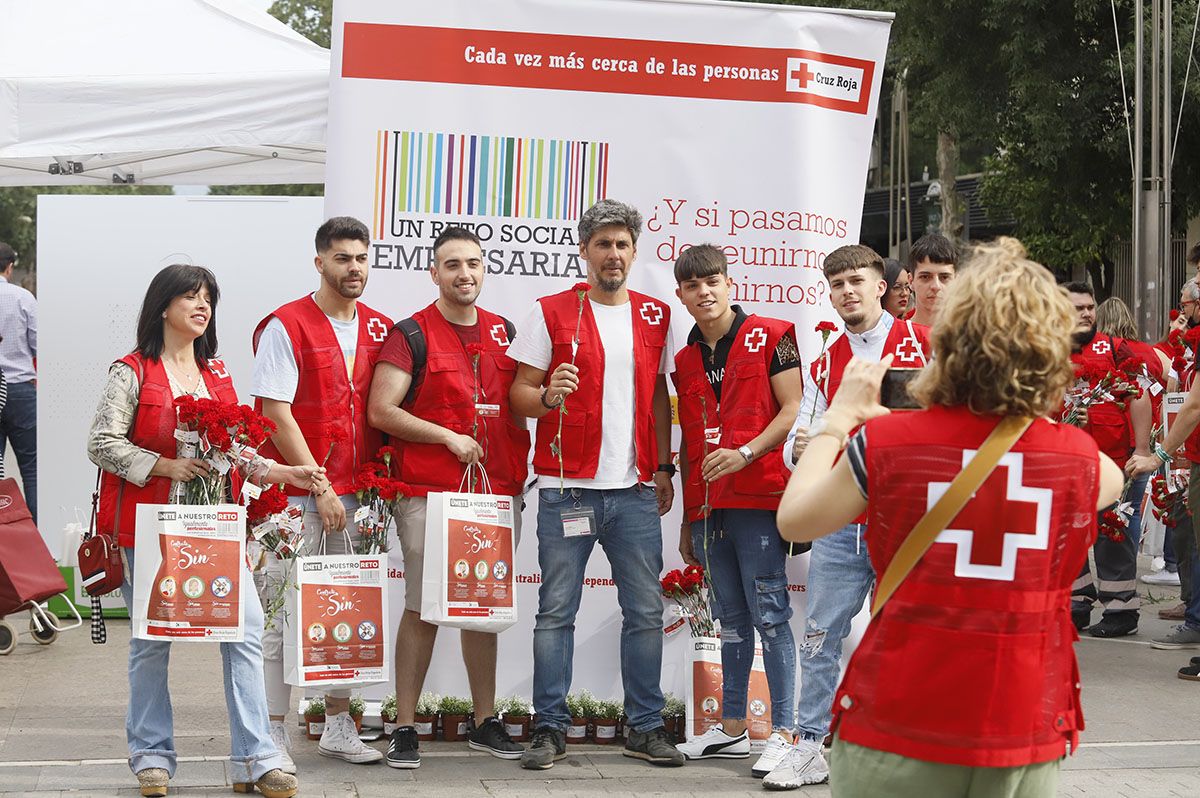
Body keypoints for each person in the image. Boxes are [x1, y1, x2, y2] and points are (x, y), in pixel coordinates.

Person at [775, 239, 1124, 797]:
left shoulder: (887, 444)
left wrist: (839, 418)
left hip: (897, 719)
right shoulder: (1076, 458)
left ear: (950, 339)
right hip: (1023, 727)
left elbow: (794, 520)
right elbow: (1111, 476)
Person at [87, 264, 313, 798]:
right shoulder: (131, 371)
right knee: (150, 642)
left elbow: (234, 451)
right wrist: (164, 467)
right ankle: (151, 758)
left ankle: (254, 759)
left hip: (214, 530)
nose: (202, 304)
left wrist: (283, 472)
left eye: (208, 296)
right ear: (163, 306)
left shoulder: (218, 372)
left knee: (245, 631)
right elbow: (100, 443)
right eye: (190, 295)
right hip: (148, 531)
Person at [508, 199, 682, 769]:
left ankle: (646, 726)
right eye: (603, 244)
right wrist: (548, 396)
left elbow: (659, 396)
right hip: (568, 488)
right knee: (556, 611)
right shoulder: (549, 311)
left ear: (635, 251)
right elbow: (520, 393)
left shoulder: (656, 315)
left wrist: (662, 468)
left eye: (622, 244)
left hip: (633, 491)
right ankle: (549, 728)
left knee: (646, 613)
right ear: (584, 252)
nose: (613, 254)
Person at [765, 244, 931, 790]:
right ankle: (810, 745)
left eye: (856, 281)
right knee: (818, 635)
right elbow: (795, 443)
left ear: (881, 284)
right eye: (836, 284)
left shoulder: (924, 346)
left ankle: (906, 744)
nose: (847, 292)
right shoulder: (824, 357)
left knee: (907, 637)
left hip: (905, 521)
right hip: (841, 522)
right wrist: (801, 447)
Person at [367, 226, 529, 768]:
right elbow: (381, 410)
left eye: (474, 264)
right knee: (422, 607)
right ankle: (406, 726)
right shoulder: (409, 334)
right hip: (428, 495)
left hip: (495, 495)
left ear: (485, 271)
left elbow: (525, 402)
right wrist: (445, 436)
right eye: (452, 264)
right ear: (434, 272)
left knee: (483, 609)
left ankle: (485, 723)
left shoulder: (508, 333)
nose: (465, 273)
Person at [251, 216, 393, 767]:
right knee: (281, 613)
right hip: (297, 499)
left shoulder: (382, 328)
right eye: (341, 258)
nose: (353, 268)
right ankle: (272, 737)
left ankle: (338, 725)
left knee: (345, 615)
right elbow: (276, 415)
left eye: (360, 257)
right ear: (319, 262)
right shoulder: (286, 324)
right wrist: (321, 484)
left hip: (360, 498)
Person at [668, 245, 802, 775]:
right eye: (693, 285)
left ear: (730, 283)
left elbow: (791, 409)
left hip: (759, 497)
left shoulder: (773, 334)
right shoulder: (683, 359)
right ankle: (730, 730)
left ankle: (787, 732)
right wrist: (685, 516)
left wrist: (745, 452)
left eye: (713, 281)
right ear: (681, 294)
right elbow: (690, 441)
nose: (705, 292)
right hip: (707, 507)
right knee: (731, 621)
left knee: (771, 618)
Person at [1065, 282, 1152, 638]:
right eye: (1078, 308)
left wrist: (1143, 449)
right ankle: (1076, 601)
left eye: (1090, 307)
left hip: (1111, 462)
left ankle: (1121, 610)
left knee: (1112, 535)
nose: (1086, 313)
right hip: (1065, 462)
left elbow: (1140, 396)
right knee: (1066, 533)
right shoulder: (1047, 352)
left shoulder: (1115, 349)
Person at [0, 242, 37, 520]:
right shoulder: (23, 298)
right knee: (32, 469)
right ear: (10, 267)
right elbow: (39, 344)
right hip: (21, 390)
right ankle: (37, 538)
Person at [907, 233, 957, 328]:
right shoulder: (891, 337)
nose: (936, 286)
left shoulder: (971, 338)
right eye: (925, 277)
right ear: (910, 281)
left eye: (944, 277)